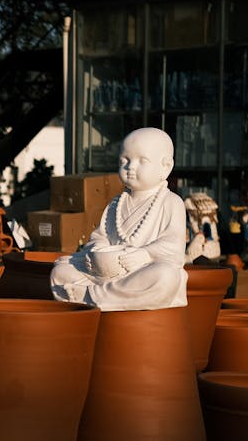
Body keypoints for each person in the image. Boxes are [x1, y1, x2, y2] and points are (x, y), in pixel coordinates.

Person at [50, 127, 188, 311]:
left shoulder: (171, 202)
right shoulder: (117, 203)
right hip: (105, 271)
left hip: (141, 271)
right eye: (125, 160)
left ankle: (90, 295)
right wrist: (95, 251)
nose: (130, 167)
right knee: (61, 271)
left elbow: (174, 245)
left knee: (166, 276)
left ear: (166, 166)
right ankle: (104, 295)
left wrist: (145, 254)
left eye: (142, 161)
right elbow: (100, 236)